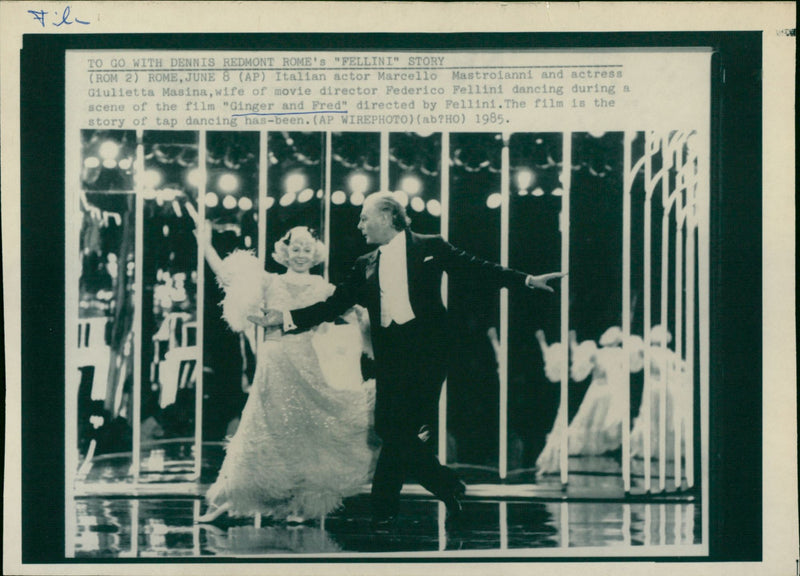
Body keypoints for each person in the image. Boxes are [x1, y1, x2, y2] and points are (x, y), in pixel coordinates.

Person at [252, 191, 564, 530]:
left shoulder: (430, 246)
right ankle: (444, 486)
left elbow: (475, 268)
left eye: (364, 218)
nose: (359, 225)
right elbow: (333, 305)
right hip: (391, 357)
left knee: (398, 430)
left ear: (386, 217)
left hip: (429, 354)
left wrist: (527, 280)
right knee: (393, 430)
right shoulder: (364, 263)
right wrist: (284, 318)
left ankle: (384, 509)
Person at [197, 226, 375, 524]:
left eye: (307, 249)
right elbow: (229, 278)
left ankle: (299, 503)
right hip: (274, 360)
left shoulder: (322, 287)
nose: (301, 254)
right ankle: (229, 499)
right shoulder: (270, 281)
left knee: (305, 429)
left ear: (315, 253)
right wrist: (205, 245)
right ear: (285, 252)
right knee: (259, 428)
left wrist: (369, 319)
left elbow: (353, 313)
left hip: (307, 362)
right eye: (296, 249)